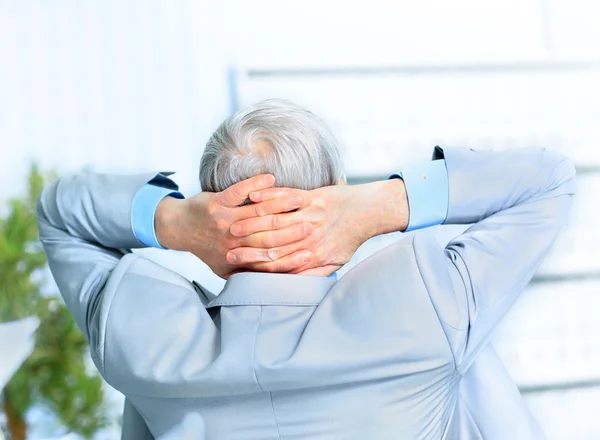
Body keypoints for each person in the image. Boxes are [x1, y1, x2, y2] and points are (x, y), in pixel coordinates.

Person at [37, 99, 574, 439]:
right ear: (337, 194)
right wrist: (382, 206)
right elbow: (547, 180)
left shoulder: (138, 335)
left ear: (211, 210)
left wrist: (173, 222)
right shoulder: (426, 306)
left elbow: (59, 212)